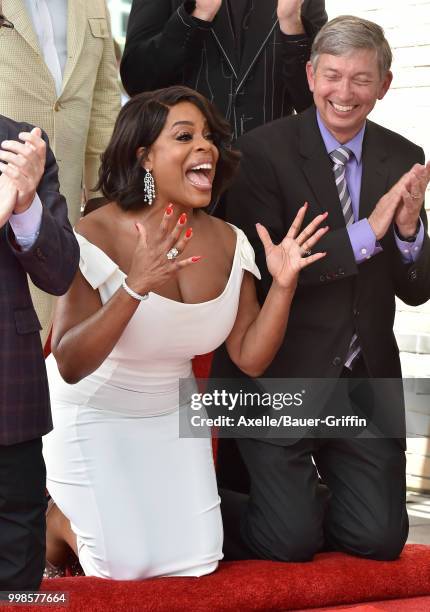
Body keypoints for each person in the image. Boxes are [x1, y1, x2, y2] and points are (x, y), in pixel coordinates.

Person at [41, 85, 328, 580]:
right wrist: (135, 287)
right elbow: (68, 362)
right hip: (92, 409)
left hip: (173, 413)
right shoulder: (94, 233)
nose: (206, 147)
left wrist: (283, 286)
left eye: (209, 137)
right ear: (145, 157)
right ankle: (53, 519)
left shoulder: (229, 240)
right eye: (184, 136)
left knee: (194, 564)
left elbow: (250, 356)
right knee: (122, 568)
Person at [212, 15, 430, 562]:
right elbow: (264, 270)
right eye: (333, 75)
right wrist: (366, 233)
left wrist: (407, 234)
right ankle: (206, 507)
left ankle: (311, 505)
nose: (345, 92)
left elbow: (416, 291)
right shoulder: (259, 153)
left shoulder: (403, 157)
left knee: (378, 541)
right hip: (282, 373)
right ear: (310, 76)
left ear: (384, 84)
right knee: (289, 542)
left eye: (362, 78)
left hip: (363, 378)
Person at [0, 0, 121, 343]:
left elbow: (102, 106)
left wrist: (103, 199)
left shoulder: (94, 5)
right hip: (6, 182)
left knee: (37, 337)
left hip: (61, 207)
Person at [0, 114, 79, 590]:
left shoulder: (22, 144)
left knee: (17, 582)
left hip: (9, 394)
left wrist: (26, 205)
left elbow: (60, 273)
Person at [120, 0, 327, 140]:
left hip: (268, 173)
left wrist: (292, 25)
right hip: (181, 170)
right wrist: (197, 16)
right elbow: (137, 82)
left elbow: (314, 103)